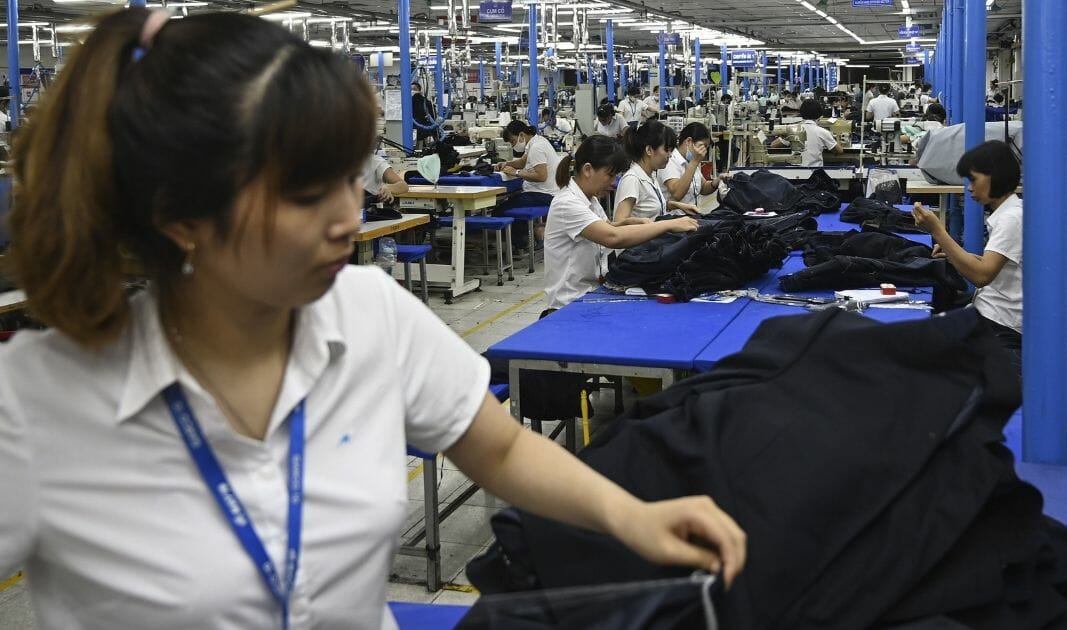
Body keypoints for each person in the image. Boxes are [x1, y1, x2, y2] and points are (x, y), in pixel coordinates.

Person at [0, 10, 746, 629]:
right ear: (179, 214)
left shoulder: (367, 316)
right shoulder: (38, 404)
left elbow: (504, 453)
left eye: (347, 179)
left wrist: (630, 517)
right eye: (305, 194)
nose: (349, 217)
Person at [544, 135, 699, 309]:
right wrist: (668, 225)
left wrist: (627, 223)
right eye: (610, 176)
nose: (613, 183)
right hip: (568, 304)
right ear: (588, 169)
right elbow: (612, 237)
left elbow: (606, 228)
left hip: (591, 294)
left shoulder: (590, 200)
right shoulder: (567, 203)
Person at [912, 140, 1022, 352]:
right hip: (991, 314)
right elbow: (1004, 268)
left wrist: (938, 231)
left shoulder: (1012, 219)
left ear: (994, 175)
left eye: (973, 180)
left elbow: (982, 276)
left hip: (1001, 324)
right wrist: (955, 255)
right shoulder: (1010, 213)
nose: (970, 188)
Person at [614, 121, 699, 222]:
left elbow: (649, 207)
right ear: (649, 150)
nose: (670, 155)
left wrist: (677, 205)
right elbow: (619, 223)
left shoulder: (651, 175)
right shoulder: (632, 180)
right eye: (666, 150)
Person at [497, 120, 562, 243]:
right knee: (513, 201)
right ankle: (523, 239)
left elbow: (541, 176)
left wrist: (516, 173)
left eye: (512, 141)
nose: (513, 146)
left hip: (545, 195)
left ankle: (519, 244)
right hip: (545, 192)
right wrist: (507, 163)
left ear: (521, 135)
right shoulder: (535, 142)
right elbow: (523, 162)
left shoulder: (536, 148)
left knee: (501, 211)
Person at [661, 123, 725, 208]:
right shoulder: (670, 161)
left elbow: (703, 187)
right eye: (703, 146)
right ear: (688, 142)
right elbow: (677, 194)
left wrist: (716, 181)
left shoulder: (690, 161)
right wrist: (694, 162)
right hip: (675, 218)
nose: (704, 151)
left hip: (691, 216)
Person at [798, 99, 841, 168]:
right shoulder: (823, 132)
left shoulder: (793, 129)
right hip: (815, 172)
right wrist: (838, 136)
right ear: (819, 113)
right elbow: (839, 151)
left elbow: (775, 145)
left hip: (794, 173)